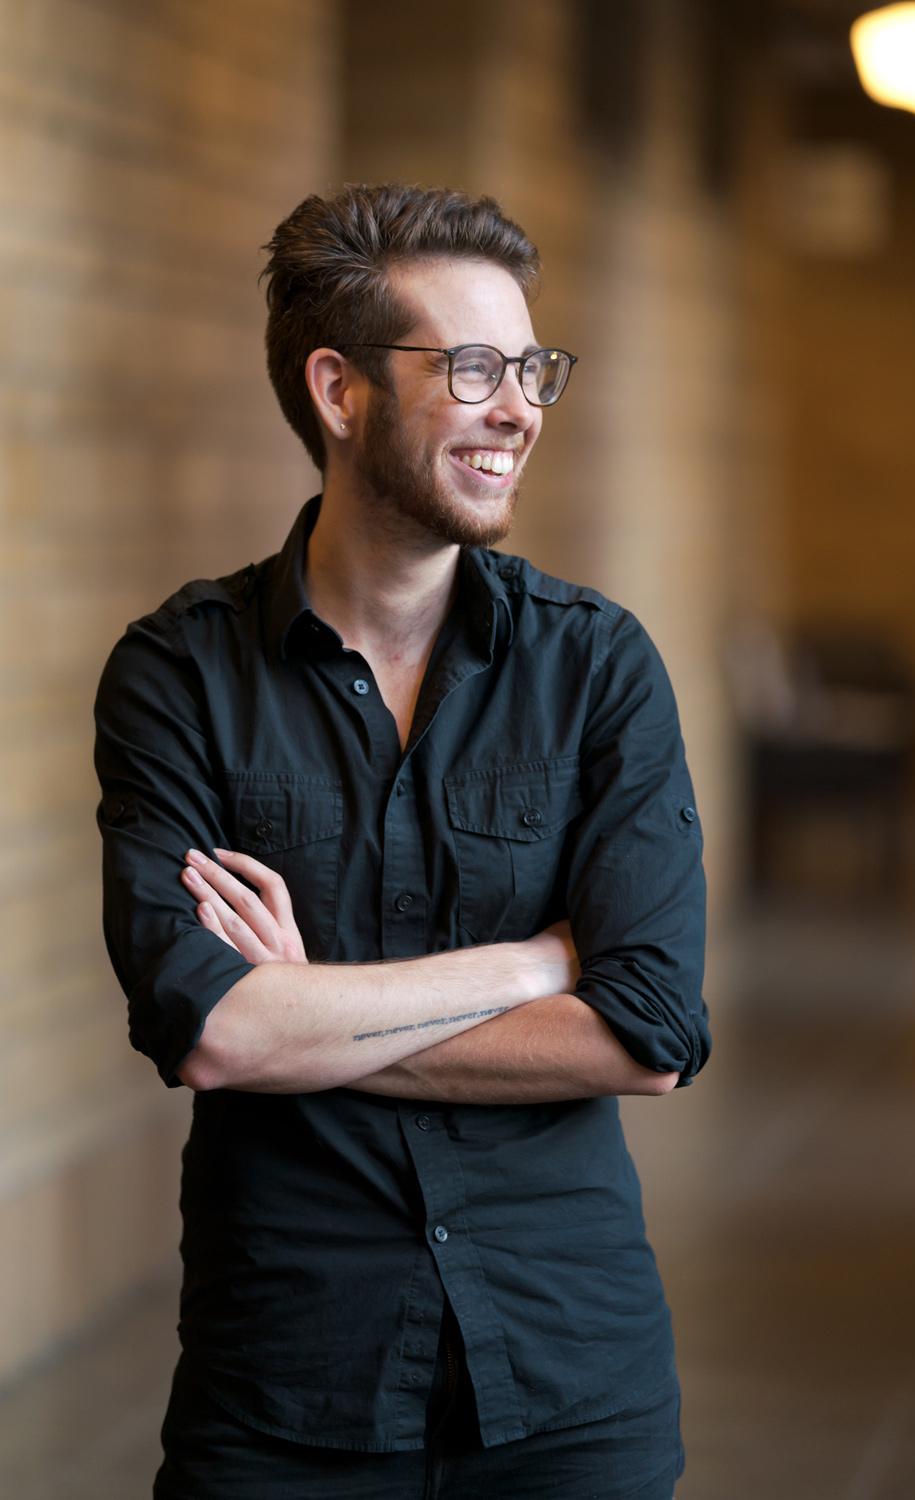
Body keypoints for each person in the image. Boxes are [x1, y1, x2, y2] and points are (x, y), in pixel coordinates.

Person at [93, 184, 711, 1499]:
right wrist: (535, 964)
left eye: (532, 368)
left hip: (568, 1385)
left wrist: (304, 1017)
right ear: (339, 390)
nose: (520, 408)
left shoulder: (596, 667)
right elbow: (213, 1033)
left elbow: (649, 1033)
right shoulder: (179, 676)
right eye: (473, 368)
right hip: (287, 1389)